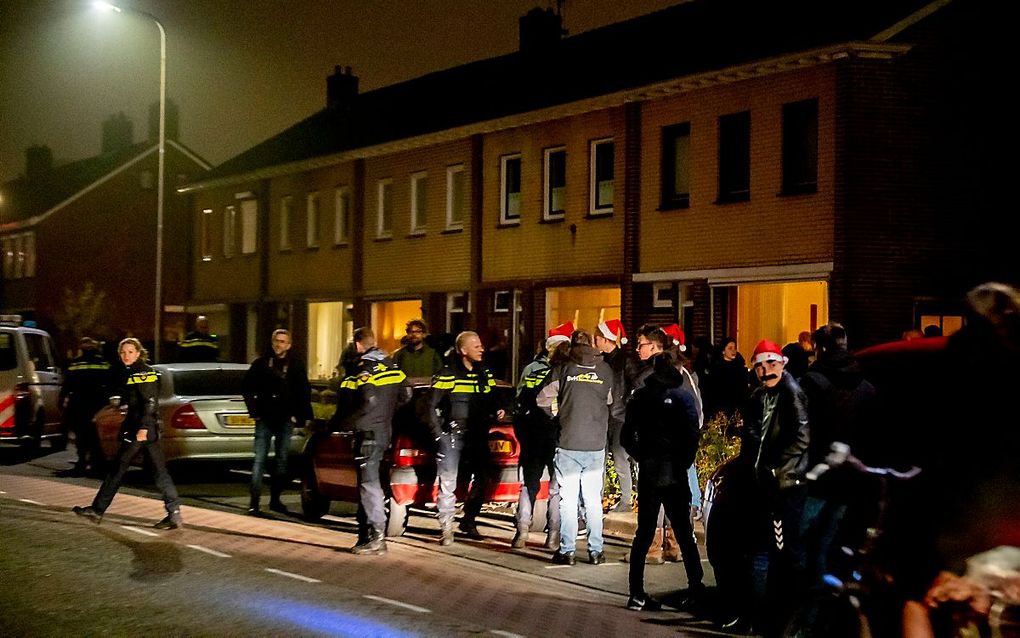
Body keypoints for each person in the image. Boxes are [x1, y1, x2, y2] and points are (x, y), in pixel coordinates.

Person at [793, 322, 877, 634]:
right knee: (831, 548)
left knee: (801, 548)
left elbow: (799, 432)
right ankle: (826, 615)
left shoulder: (811, 383)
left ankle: (804, 617)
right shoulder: (866, 387)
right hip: (851, 483)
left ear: (820, 347)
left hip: (816, 479)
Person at [622, 325, 705, 612]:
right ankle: (696, 587)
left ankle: (636, 592)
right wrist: (682, 460)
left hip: (649, 470)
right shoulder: (682, 396)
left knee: (644, 532)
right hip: (674, 470)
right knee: (683, 531)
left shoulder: (641, 397)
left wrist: (643, 455)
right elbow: (693, 432)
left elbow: (625, 437)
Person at [738, 339, 811, 636]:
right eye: (760, 365)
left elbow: (802, 437)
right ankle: (766, 617)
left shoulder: (792, 394)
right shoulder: (760, 396)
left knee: (783, 553)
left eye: (771, 364)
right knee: (766, 551)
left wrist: (774, 465)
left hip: (785, 486)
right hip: (768, 484)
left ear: (782, 364)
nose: (766, 370)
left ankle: (786, 620)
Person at [73, 338, 183, 529]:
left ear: (138, 353)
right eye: (123, 352)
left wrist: (143, 428)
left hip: (140, 429)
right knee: (159, 471)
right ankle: (174, 513)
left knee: (118, 468)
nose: (126, 356)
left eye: (130, 352)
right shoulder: (134, 372)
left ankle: (98, 510)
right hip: (147, 430)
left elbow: (150, 402)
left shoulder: (143, 373)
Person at [537, 329, 614, 566]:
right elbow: (610, 400)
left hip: (569, 441)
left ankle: (567, 550)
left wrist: (557, 415)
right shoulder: (605, 369)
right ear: (592, 344)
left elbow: (542, 398)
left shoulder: (563, 369)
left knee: (568, 499)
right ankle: (596, 550)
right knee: (592, 499)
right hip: (595, 443)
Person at [335, 327, 411, 555]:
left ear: (358, 344)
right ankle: (364, 535)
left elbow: (366, 400)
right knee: (370, 483)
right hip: (383, 432)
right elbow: (406, 394)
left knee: (369, 486)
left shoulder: (363, 368)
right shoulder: (391, 364)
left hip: (366, 433)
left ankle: (377, 538)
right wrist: (386, 415)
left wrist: (348, 424)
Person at [429, 331, 505, 545]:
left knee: (483, 479)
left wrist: (498, 407)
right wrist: (438, 435)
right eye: (476, 346)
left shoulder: (484, 373)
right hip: (453, 434)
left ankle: (469, 519)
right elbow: (430, 406)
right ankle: (446, 527)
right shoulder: (447, 374)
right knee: (449, 481)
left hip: (478, 434)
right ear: (463, 350)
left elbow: (492, 396)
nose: (481, 349)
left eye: (481, 345)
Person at [241, 329, 312, 516]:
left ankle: (275, 500)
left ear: (289, 345)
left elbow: (303, 391)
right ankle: (254, 503)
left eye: (283, 341)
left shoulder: (296, 365)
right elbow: (247, 389)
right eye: (276, 341)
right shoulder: (261, 364)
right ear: (272, 343)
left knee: (281, 461)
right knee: (259, 460)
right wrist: (254, 412)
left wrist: (299, 416)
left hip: (285, 420)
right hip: (264, 418)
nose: (279, 345)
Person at [510, 328, 569, 549]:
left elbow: (519, 401)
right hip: (556, 435)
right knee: (556, 487)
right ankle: (553, 535)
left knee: (528, 484)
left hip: (533, 434)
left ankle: (522, 532)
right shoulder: (567, 373)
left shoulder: (531, 370)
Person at [594, 317, 639, 513]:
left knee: (620, 458)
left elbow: (635, 385)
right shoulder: (601, 360)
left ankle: (626, 500)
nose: (595, 342)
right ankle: (599, 497)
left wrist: (627, 405)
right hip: (605, 416)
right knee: (601, 459)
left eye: (597, 338)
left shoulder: (625, 360)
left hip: (620, 416)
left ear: (606, 339)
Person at [58, 336, 112, 477]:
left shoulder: (75, 364)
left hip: (79, 404)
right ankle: (97, 463)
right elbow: (111, 383)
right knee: (95, 435)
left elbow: (67, 385)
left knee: (81, 436)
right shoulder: (103, 363)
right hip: (97, 404)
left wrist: (62, 400)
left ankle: (82, 461)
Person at [706, 336, 749, 423]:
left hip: (738, 407)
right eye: (730, 348)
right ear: (723, 351)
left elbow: (744, 389)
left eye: (734, 348)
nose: (733, 351)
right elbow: (713, 391)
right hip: (722, 408)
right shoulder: (716, 368)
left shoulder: (740, 366)